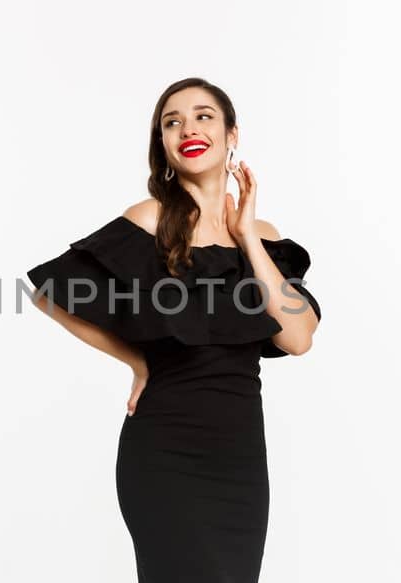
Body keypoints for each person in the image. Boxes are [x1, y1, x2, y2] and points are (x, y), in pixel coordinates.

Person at [25, 77, 322, 582]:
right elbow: (52, 294)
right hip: (165, 452)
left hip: (240, 462)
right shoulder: (149, 220)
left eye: (204, 115)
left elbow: (296, 338)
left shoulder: (265, 237)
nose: (188, 127)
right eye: (172, 121)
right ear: (162, 144)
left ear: (232, 134)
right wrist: (136, 360)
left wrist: (247, 235)